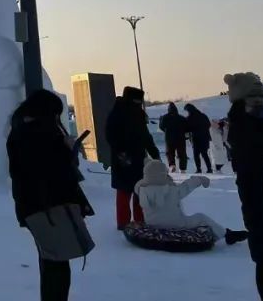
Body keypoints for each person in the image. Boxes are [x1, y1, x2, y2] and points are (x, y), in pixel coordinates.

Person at [7, 90, 93, 301]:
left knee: (50, 261)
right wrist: (68, 149)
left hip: (33, 207)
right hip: (50, 207)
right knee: (58, 267)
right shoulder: (41, 132)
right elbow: (51, 169)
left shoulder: (19, 130)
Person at [224, 73, 263, 301]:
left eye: (261, 98)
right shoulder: (248, 128)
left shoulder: (251, 124)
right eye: (254, 100)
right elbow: (255, 175)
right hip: (262, 207)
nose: (259, 103)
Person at [135, 159, 247, 244]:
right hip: (176, 224)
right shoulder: (172, 190)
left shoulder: (142, 190)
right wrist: (199, 180)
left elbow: (141, 184)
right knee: (201, 217)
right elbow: (187, 186)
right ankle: (227, 235)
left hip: (152, 224)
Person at [105, 86, 159, 230]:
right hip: (122, 159)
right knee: (124, 190)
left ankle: (140, 219)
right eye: (137, 101)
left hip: (139, 158)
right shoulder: (117, 113)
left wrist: (155, 153)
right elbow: (110, 135)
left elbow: (146, 136)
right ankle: (123, 223)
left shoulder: (138, 114)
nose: (139, 104)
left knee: (140, 189)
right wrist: (121, 153)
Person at [184, 103, 214, 174]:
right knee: (205, 154)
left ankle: (199, 169)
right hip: (205, 137)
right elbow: (208, 125)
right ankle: (209, 168)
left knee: (196, 154)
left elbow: (187, 128)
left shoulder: (190, 118)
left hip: (195, 138)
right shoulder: (203, 115)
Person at [159, 103, 188, 173]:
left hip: (169, 138)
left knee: (170, 153)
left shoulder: (165, 117)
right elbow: (186, 127)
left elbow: (161, 126)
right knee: (182, 153)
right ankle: (183, 168)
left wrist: (166, 131)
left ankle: (172, 165)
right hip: (180, 138)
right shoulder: (181, 118)